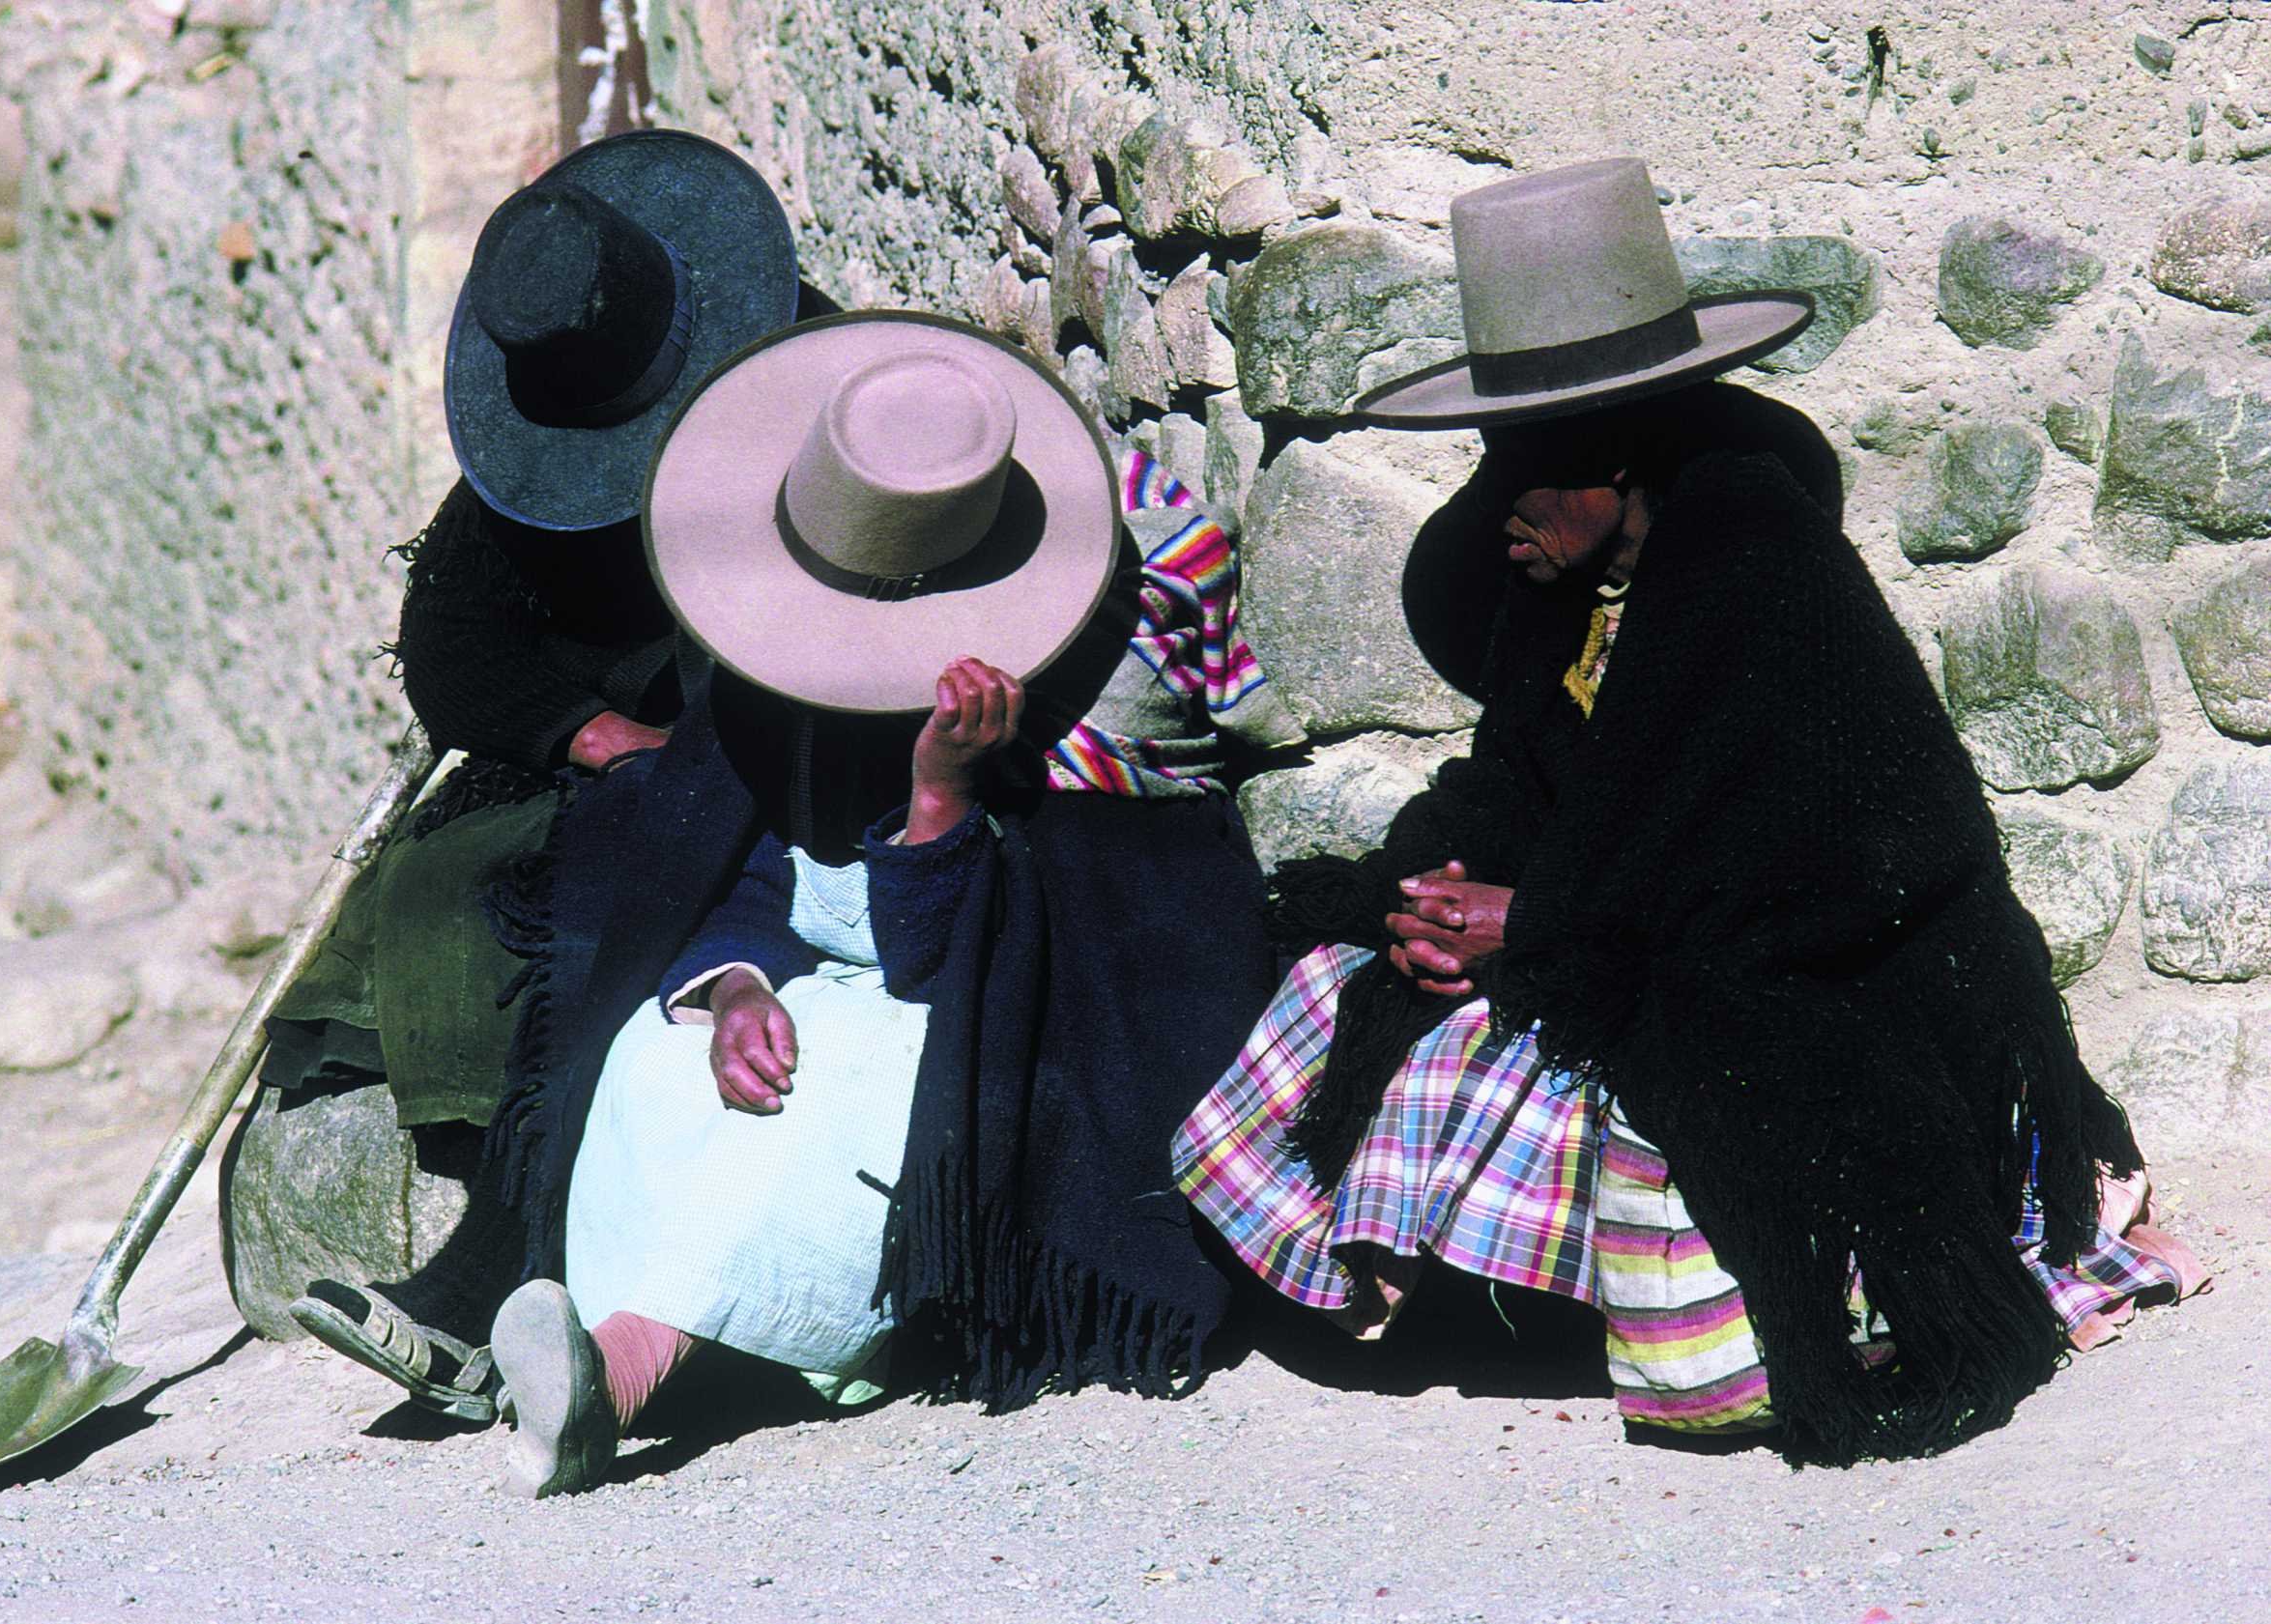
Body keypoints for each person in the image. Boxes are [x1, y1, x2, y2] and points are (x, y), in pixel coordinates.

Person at [1172, 157, 2201, 1467]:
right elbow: (1517, 790)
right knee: (1344, 988)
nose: (1502, 510)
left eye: (1527, 472)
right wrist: (1431, 898)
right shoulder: (1567, 598)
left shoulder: (1757, 573)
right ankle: (1475, 1300)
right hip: (1635, 938)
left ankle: (1734, 1319)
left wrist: (1538, 921)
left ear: (1617, 460)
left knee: (1700, 1142)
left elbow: (1838, 865)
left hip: (1846, 984)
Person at [481, 310, 1305, 1496]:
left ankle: (620, 1373)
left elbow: (963, 966)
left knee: (839, 1097)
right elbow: (748, 857)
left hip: (939, 998)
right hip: (812, 967)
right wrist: (734, 984)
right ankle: (624, 1347)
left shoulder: (1082, 725)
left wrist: (939, 792)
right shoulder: (786, 656)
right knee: (658, 1067)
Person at [250, 128, 804, 1422]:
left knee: (625, 893)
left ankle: (505, 1270)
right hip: (635, 760)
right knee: (477, 885)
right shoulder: (537, 453)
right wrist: (593, 736)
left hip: (780, 743)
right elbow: (448, 644)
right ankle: (492, 1270)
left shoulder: (800, 371)